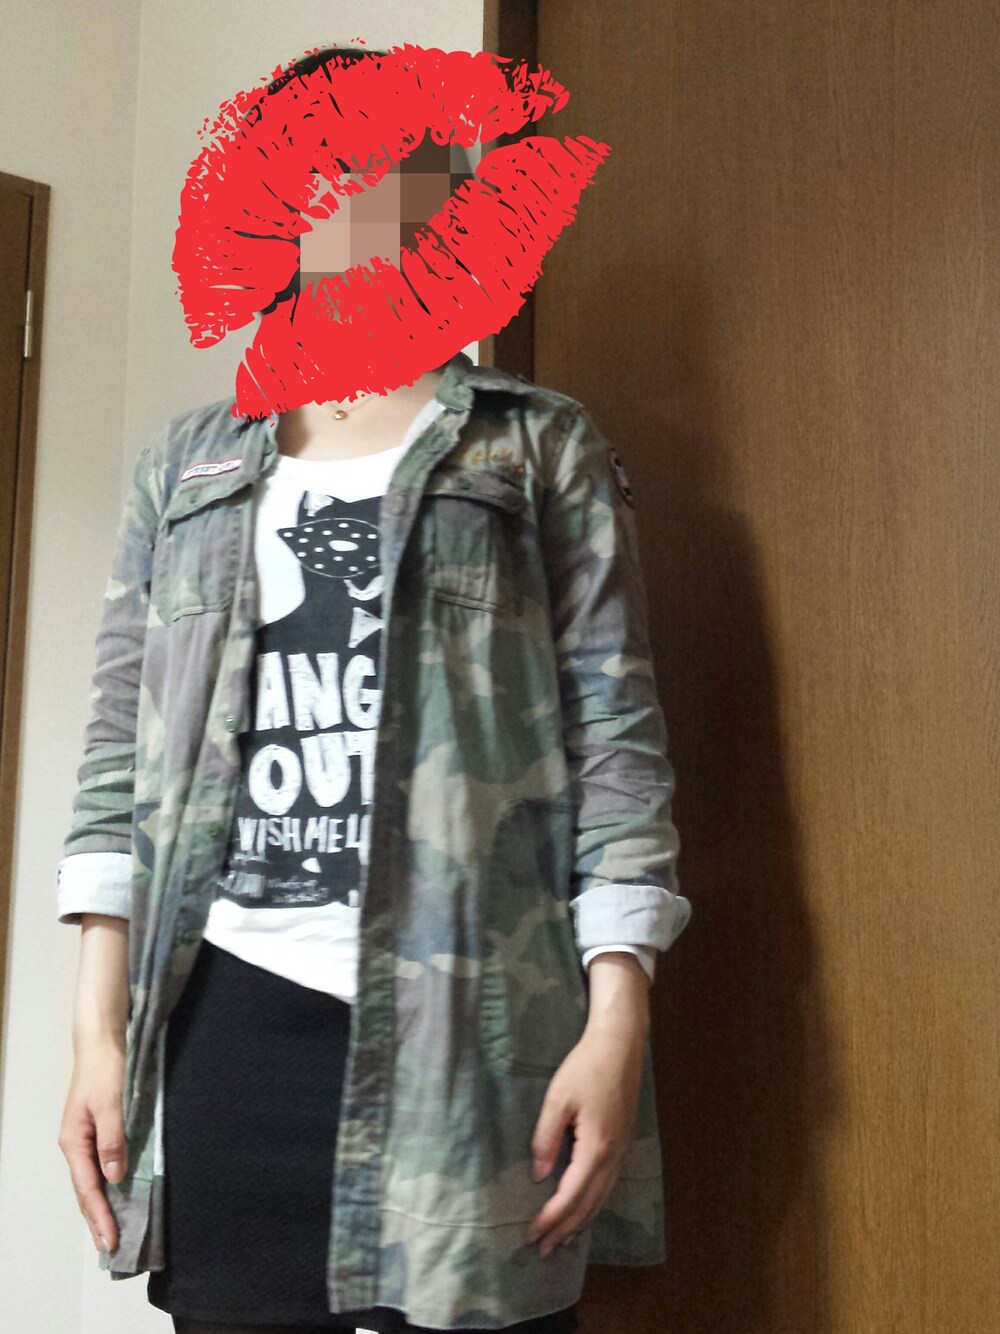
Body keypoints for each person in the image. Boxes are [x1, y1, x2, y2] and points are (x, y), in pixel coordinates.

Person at [55, 46, 692, 1334]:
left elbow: (617, 744)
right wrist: (96, 1034)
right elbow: (118, 756)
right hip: (227, 1024)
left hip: (474, 1030)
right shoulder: (184, 466)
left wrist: (616, 1019)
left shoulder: (538, 443)